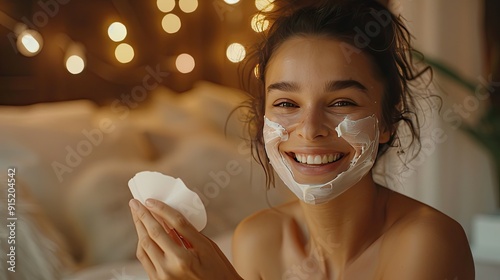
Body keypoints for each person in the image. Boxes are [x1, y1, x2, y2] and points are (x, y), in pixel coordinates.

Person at [128, 0, 475, 279]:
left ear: (385, 120)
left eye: (341, 102)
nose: (310, 129)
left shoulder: (429, 243)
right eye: (286, 104)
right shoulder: (258, 241)